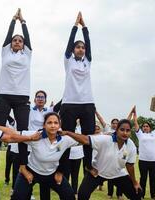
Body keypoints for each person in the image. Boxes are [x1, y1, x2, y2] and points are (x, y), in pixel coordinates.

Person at [0, 8, 32, 171]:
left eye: (19, 41)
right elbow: (8, 36)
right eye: (15, 40)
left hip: (21, 96)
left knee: (22, 130)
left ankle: (23, 163)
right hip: (4, 95)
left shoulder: (27, 55)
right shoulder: (5, 52)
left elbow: (28, 38)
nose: (16, 42)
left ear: (23, 45)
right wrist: (13, 20)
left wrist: (23, 21)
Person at [61, 119, 142, 200]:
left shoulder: (131, 146)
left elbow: (130, 166)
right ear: (116, 130)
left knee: (137, 192)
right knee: (82, 195)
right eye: (122, 129)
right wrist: (68, 133)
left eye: (128, 130)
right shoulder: (105, 139)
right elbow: (85, 139)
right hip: (97, 172)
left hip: (117, 173)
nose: (125, 133)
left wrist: (135, 182)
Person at [11, 112, 78, 200]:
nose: (53, 125)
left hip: (51, 173)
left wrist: (69, 133)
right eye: (49, 123)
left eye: (56, 123)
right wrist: (30, 138)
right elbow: (12, 136)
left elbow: (86, 140)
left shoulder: (65, 139)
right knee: (17, 197)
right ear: (44, 125)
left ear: (59, 125)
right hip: (31, 171)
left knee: (69, 196)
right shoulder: (36, 135)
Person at [60, 11, 95, 174]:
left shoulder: (87, 61)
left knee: (88, 137)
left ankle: (88, 165)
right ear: (73, 50)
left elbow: (88, 41)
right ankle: (62, 167)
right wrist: (76, 25)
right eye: (78, 47)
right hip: (69, 104)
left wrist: (85, 26)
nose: (81, 49)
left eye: (82, 47)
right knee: (67, 136)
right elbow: (68, 43)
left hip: (87, 103)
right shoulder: (68, 60)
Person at [133, 106, 155, 200]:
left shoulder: (154, 134)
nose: (145, 127)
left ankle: (153, 195)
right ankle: (141, 195)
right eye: (144, 126)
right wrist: (135, 113)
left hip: (154, 161)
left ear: (150, 128)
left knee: (153, 179)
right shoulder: (140, 134)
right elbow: (135, 122)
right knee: (143, 179)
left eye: (147, 126)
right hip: (143, 161)